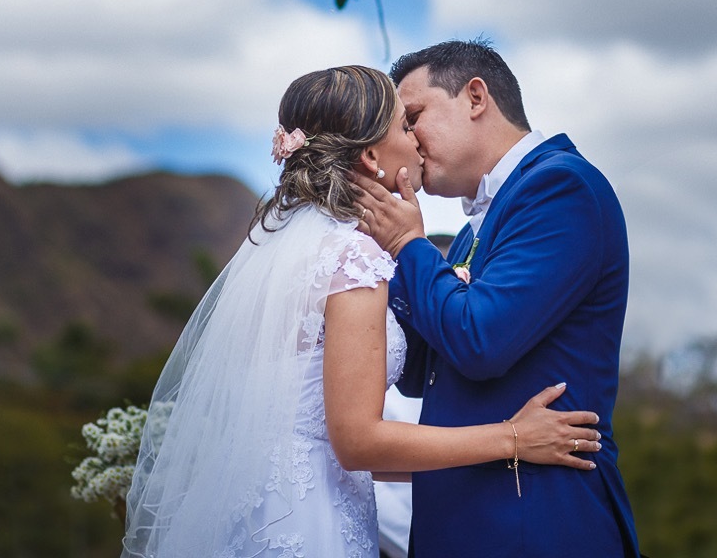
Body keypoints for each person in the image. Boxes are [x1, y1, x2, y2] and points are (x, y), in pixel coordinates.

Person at [121, 65, 604, 558]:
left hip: (285, 505)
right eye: (405, 125)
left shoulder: (298, 251)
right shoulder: (353, 257)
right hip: (312, 518)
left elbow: (342, 441)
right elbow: (356, 442)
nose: (415, 141)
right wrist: (511, 439)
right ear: (371, 156)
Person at [354, 40, 642, 557]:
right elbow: (420, 374)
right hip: (463, 524)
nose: (409, 141)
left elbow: (479, 341)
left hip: (534, 523)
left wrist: (408, 244)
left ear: (475, 97)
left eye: (413, 118)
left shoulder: (562, 188)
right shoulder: (471, 231)